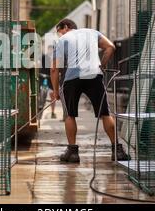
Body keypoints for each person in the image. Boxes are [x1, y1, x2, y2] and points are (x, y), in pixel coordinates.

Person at [50, 19, 130, 163]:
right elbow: (110, 47)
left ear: (66, 27)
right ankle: (117, 150)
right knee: (105, 113)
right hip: (94, 75)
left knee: (69, 114)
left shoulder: (63, 40)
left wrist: (56, 91)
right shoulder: (92, 33)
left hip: (72, 77)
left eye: (60, 32)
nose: (59, 36)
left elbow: (54, 69)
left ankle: (73, 152)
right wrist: (101, 66)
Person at [40, 50, 57, 119]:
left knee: (52, 97)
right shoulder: (44, 57)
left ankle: (53, 112)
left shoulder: (55, 58)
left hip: (50, 80)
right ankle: (42, 112)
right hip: (44, 78)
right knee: (42, 97)